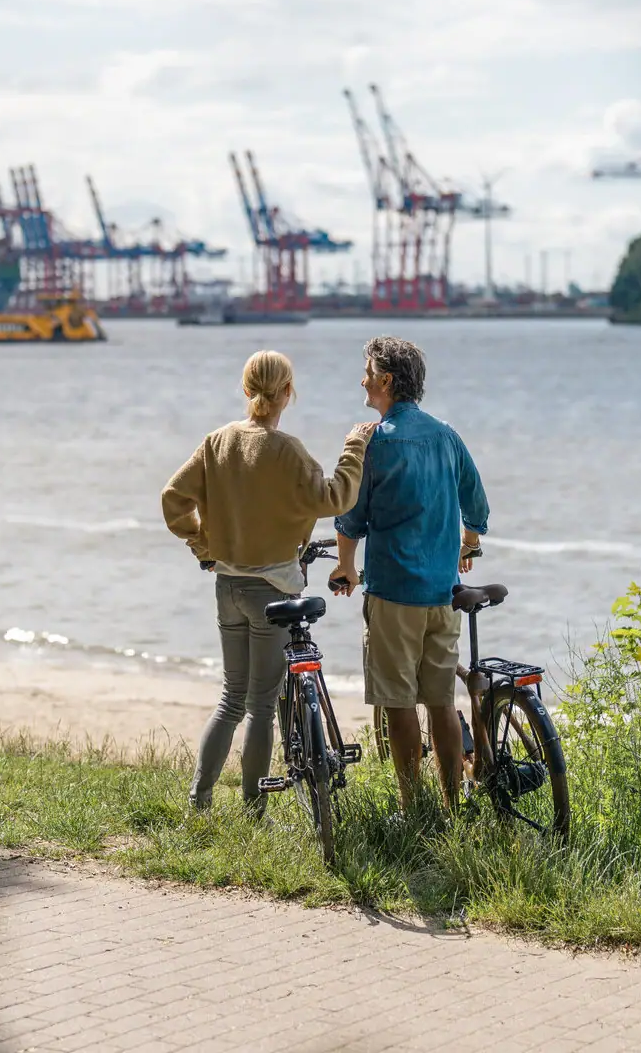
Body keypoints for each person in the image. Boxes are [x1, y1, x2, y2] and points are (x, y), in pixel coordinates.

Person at [162, 350, 377, 814]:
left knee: (230, 699)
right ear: (287, 393)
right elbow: (337, 497)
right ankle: (253, 811)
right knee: (261, 707)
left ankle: (198, 802)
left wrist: (203, 547)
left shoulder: (217, 442)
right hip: (274, 593)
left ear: (246, 390)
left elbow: (172, 499)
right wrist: (354, 448)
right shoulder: (288, 451)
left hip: (227, 589)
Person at [331, 336, 488, 811]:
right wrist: (469, 544)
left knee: (398, 701)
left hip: (394, 592)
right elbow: (476, 503)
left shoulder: (376, 442)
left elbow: (352, 516)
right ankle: (451, 804)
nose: (362, 378)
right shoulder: (446, 434)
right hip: (441, 594)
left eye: (367, 371)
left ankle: (411, 808)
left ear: (386, 381)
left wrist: (345, 567)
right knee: (440, 700)